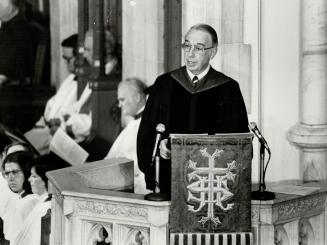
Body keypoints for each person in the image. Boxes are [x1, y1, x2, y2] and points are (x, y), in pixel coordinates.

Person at [137, 23, 249, 195]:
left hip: (212, 186)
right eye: (187, 45)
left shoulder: (228, 89)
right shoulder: (164, 84)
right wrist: (160, 146)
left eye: (198, 48)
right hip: (169, 182)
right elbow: (146, 134)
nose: (190, 53)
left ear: (213, 52)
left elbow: (239, 143)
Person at [24, 34, 92, 155]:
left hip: (62, 136)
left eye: (68, 59)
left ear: (79, 58)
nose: (66, 63)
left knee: (23, 150)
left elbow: (75, 117)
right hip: (47, 129)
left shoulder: (85, 85)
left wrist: (57, 123)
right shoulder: (70, 79)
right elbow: (52, 105)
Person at [13, 153, 71, 245]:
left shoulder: (46, 208)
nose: (29, 179)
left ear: (47, 180)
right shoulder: (42, 203)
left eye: (34, 176)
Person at [105, 77, 149, 194]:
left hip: (132, 186)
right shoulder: (134, 123)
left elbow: (138, 168)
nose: (119, 105)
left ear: (137, 97)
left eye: (122, 99)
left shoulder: (145, 124)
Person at [0, 143, 38, 243]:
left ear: (26, 171)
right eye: (7, 173)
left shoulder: (30, 201)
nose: (10, 178)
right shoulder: (21, 198)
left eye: (15, 172)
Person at [0, 0, 34, 85]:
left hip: (12, 83)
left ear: (10, 9)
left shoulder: (15, 29)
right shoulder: (11, 25)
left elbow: (6, 68)